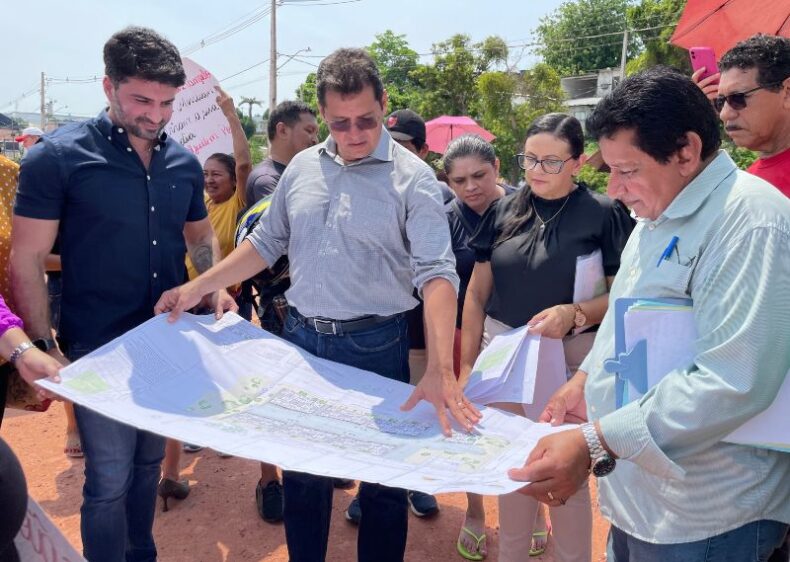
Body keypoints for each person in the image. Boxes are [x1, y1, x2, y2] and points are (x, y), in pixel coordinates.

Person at [154, 47, 480, 562]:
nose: (353, 134)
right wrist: (199, 287)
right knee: (304, 475)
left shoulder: (413, 178)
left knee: (382, 483)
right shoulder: (302, 167)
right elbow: (264, 244)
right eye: (339, 122)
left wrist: (440, 367)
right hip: (302, 342)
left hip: (377, 345)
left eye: (366, 121)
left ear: (384, 103)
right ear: (322, 112)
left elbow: (437, 274)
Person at [509, 66, 790, 562]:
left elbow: (732, 380)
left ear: (686, 151)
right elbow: (626, 319)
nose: (614, 189)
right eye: (610, 170)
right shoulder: (655, 214)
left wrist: (595, 441)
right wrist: (586, 381)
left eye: (627, 169)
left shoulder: (751, 223)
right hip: (638, 501)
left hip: (709, 518)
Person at [11, 26, 234, 562]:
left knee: (145, 467)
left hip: (167, 342)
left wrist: (215, 286)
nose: (156, 115)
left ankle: (143, 554)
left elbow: (200, 235)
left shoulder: (182, 161)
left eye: (167, 102)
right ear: (108, 86)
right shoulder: (58, 157)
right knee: (107, 479)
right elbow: (26, 258)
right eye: (142, 99)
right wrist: (43, 343)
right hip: (97, 350)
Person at [460, 114, 632, 562]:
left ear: (577, 163)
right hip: (505, 356)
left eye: (552, 162)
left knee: (563, 477)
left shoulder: (603, 213)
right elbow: (477, 293)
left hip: (570, 360)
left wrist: (573, 314)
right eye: (531, 159)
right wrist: (464, 367)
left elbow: (626, 296)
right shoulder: (504, 209)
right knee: (513, 470)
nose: (537, 170)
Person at [342, 108, 442, 525]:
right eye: (390, 142)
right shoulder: (362, 192)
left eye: (403, 146)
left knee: (414, 416)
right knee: (375, 420)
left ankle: (416, 482)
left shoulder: (439, 196)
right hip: (378, 329)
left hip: (422, 330)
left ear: (421, 151)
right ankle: (370, 491)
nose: (392, 152)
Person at [159, 85, 252, 510]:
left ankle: (226, 432)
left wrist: (231, 117)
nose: (210, 179)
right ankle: (184, 451)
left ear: (233, 181)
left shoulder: (234, 205)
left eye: (218, 173)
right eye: (206, 173)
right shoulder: (193, 205)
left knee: (228, 375)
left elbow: (247, 161)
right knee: (188, 375)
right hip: (187, 303)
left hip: (223, 304)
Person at [439, 134, 515, 560]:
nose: (471, 187)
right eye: (459, 180)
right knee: (470, 427)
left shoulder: (528, 207)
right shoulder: (445, 219)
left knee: (524, 422)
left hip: (519, 335)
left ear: (497, 167)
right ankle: (474, 511)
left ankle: (533, 509)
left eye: (479, 176)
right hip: (460, 337)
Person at [693, 34, 790, 196]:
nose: (724, 114)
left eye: (737, 98)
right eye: (720, 101)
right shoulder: (749, 187)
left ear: (787, 92)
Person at [245, 100, 318, 207]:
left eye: (316, 133)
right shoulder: (266, 180)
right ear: (282, 130)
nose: (315, 140)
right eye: (309, 131)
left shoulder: (297, 174)